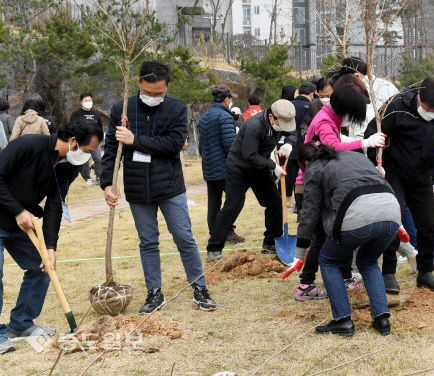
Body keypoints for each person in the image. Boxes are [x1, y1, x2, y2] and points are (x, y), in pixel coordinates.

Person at [101, 61, 216, 313]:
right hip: (137, 186)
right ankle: (154, 293)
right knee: (148, 242)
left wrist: (136, 140)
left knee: (184, 237)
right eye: (148, 92)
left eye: (159, 93)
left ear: (167, 86)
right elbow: (112, 149)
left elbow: (174, 144)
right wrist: (107, 184)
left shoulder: (176, 108)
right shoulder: (122, 108)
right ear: (139, 83)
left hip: (170, 185)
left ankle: (200, 288)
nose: (153, 97)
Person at [0, 119, 102, 354]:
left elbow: (55, 205)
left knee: (41, 267)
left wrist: (51, 247)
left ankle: (22, 324)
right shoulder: (27, 146)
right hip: (9, 213)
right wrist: (17, 210)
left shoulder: (69, 166)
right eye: (88, 151)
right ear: (73, 141)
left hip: (22, 222)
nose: (88, 157)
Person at [364, 77, 434, 293]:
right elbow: (372, 132)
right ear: (419, 96)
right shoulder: (397, 105)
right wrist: (376, 161)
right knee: (394, 222)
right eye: (428, 108)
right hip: (393, 172)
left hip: (423, 174)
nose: (431, 113)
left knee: (428, 225)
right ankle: (388, 273)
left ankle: (425, 271)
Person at [292, 76, 386, 300]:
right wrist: (364, 143)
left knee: (335, 231)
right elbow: (331, 147)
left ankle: (344, 276)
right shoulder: (325, 120)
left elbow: (335, 139)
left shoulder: (332, 118)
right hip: (311, 184)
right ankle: (305, 285)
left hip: (325, 182)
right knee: (320, 237)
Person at [295, 143, 400, 337]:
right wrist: (397, 225)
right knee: (368, 262)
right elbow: (383, 183)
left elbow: (309, 213)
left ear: (306, 162)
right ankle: (382, 319)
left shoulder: (314, 168)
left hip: (356, 212)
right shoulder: (357, 157)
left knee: (328, 260)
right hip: (391, 210)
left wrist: (299, 253)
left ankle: (343, 320)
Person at [206, 100, 297, 257]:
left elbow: (293, 132)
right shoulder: (254, 126)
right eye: (280, 124)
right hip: (239, 168)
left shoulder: (283, 120)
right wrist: (273, 166)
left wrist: (289, 143)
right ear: (271, 117)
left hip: (260, 167)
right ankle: (214, 248)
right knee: (233, 205)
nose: (283, 128)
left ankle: (271, 241)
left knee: (274, 202)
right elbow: (250, 155)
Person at [198, 84, 244, 262]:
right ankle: (226, 231)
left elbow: (202, 146)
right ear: (226, 100)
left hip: (209, 166)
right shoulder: (225, 117)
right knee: (234, 200)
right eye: (230, 98)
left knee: (214, 201)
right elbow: (230, 146)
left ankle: (214, 231)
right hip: (225, 167)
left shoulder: (205, 117)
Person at [288, 82, 316, 209]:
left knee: (291, 175)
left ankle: (289, 201)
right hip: (306, 147)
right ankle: (301, 206)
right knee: (304, 177)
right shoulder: (312, 106)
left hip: (290, 145)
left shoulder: (290, 105)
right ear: (312, 94)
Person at [70, 93, 105, 185]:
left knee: (98, 159)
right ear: (81, 102)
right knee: (85, 161)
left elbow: (100, 127)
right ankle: (87, 178)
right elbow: (72, 128)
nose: (88, 102)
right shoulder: (76, 114)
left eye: (90, 100)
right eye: (86, 101)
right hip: (82, 141)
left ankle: (99, 177)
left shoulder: (95, 114)